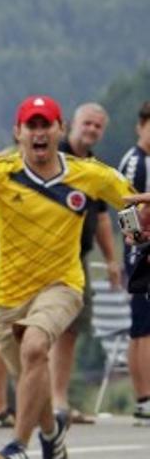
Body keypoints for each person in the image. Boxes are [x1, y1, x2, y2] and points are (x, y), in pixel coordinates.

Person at [0, 95, 136, 459]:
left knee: (36, 347)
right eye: (31, 126)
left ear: (60, 130)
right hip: (8, 295)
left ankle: (18, 446)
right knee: (29, 373)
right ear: (18, 133)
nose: (39, 133)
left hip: (62, 285)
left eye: (46, 125)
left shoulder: (88, 174)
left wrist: (134, 233)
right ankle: (51, 436)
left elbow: (128, 199)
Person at [52, 102, 120, 425]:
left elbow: (107, 215)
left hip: (79, 258)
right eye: (87, 123)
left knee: (72, 329)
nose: (91, 130)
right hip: (45, 255)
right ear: (70, 125)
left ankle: (59, 399)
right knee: (41, 327)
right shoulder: (53, 157)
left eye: (97, 126)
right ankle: (41, 400)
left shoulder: (96, 169)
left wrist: (112, 258)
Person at [117, 100, 150, 425]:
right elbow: (124, 204)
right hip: (140, 257)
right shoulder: (134, 162)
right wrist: (137, 243)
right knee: (142, 328)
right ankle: (143, 398)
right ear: (140, 126)